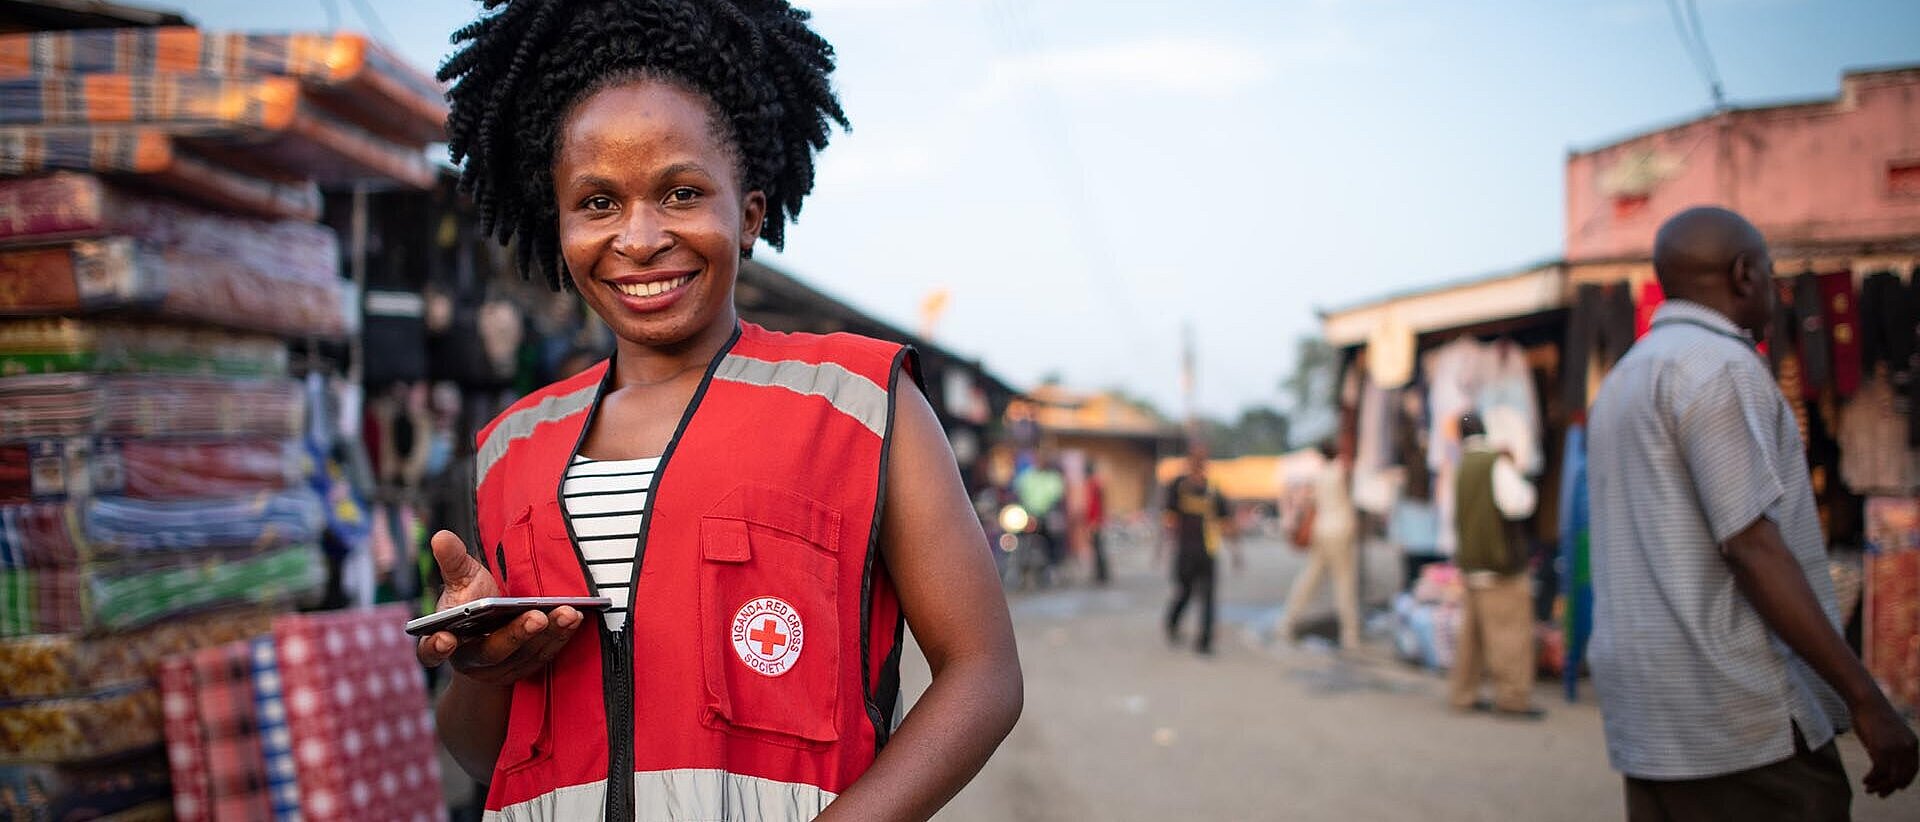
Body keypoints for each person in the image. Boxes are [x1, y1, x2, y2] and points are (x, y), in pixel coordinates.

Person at [415, 3, 1023, 819]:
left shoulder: (859, 402)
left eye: (681, 192)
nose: (638, 237)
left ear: (750, 213)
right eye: (597, 203)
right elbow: (482, 750)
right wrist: (483, 668)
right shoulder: (511, 446)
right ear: (557, 223)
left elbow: (983, 674)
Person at [1588, 206, 1917, 820]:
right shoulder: (1720, 368)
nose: (1776, 289)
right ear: (1744, 275)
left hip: (1652, 723)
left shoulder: (1624, 379)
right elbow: (1751, 546)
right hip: (1737, 718)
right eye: (1770, 273)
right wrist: (1866, 699)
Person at [1446, 413, 1542, 718]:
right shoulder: (1495, 462)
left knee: (1471, 639)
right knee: (1510, 636)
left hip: (1472, 564)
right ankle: (1513, 698)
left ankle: (1464, 693)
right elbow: (1519, 503)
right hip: (1498, 565)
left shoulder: (1461, 468)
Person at [1273, 441, 1361, 651]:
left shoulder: (1319, 476)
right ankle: (1350, 634)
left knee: (1310, 578)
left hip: (1322, 530)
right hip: (1339, 530)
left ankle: (1286, 622)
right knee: (1343, 582)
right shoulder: (1342, 471)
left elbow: (1305, 501)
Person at [1162, 444, 1241, 655]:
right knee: (1185, 592)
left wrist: (1235, 553)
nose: (1199, 463)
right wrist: (1161, 548)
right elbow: (1169, 519)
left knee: (1208, 596)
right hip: (1185, 550)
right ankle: (1172, 622)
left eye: (1202, 458)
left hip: (1208, 549)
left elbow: (1226, 522)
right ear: (1188, 460)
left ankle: (1204, 642)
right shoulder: (1178, 486)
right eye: (1195, 458)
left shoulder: (1213, 490)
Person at [1082, 461, 1110, 585]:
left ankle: (1102, 574)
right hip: (1095, 521)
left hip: (1095, 521)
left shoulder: (1093, 485)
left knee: (1098, 549)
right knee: (1098, 548)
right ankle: (1101, 574)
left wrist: (1094, 522)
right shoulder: (1095, 484)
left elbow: (1095, 506)